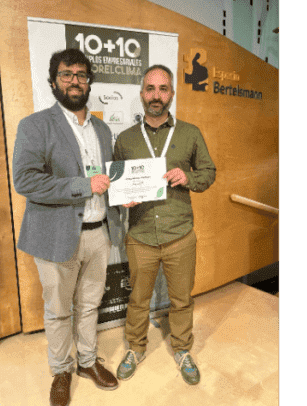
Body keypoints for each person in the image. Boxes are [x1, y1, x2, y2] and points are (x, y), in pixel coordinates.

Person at [12, 48, 123, 406]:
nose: (75, 81)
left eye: (81, 74)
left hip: (98, 234)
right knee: (59, 310)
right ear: (54, 80)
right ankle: (61, 370)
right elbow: (26, 180)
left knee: (90, 305)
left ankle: (87, 362)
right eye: (66, 74)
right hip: (56, 237)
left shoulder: (103, 129)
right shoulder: (35, 125)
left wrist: (125, 192)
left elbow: (110, 179)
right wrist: (81, 186)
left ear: (89, 81)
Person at [113, 65, 216, 385]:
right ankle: (135, 347)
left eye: (163, 89)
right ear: (142, 94)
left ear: (171, 94)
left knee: (182, 299)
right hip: (141, 235)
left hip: (179, 235)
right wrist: (122, 197)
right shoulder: (126, 139)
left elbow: (209, 173)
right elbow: (117, 183)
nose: (156, 96)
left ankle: (183, 350)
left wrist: (189, 177)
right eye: (150, 89)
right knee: (138, 300)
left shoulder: (190, 133)